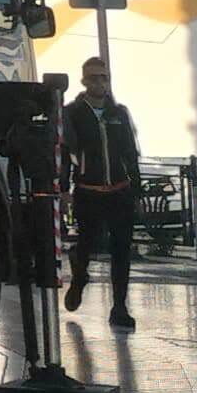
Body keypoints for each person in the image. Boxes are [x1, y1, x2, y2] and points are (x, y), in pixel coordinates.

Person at [62, 58, 138, 329]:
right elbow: (65, 153)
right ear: (84, 81)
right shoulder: (71, 113)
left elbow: (131, 153)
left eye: (103, 78)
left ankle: (119, 307)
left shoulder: (119, 113)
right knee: (88, 245)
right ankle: (79, 277)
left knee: (121, 250)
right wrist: (63, 190)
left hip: (119, 192)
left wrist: (136, 189)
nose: (99, 83)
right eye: (94, 78)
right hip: (88, 191)